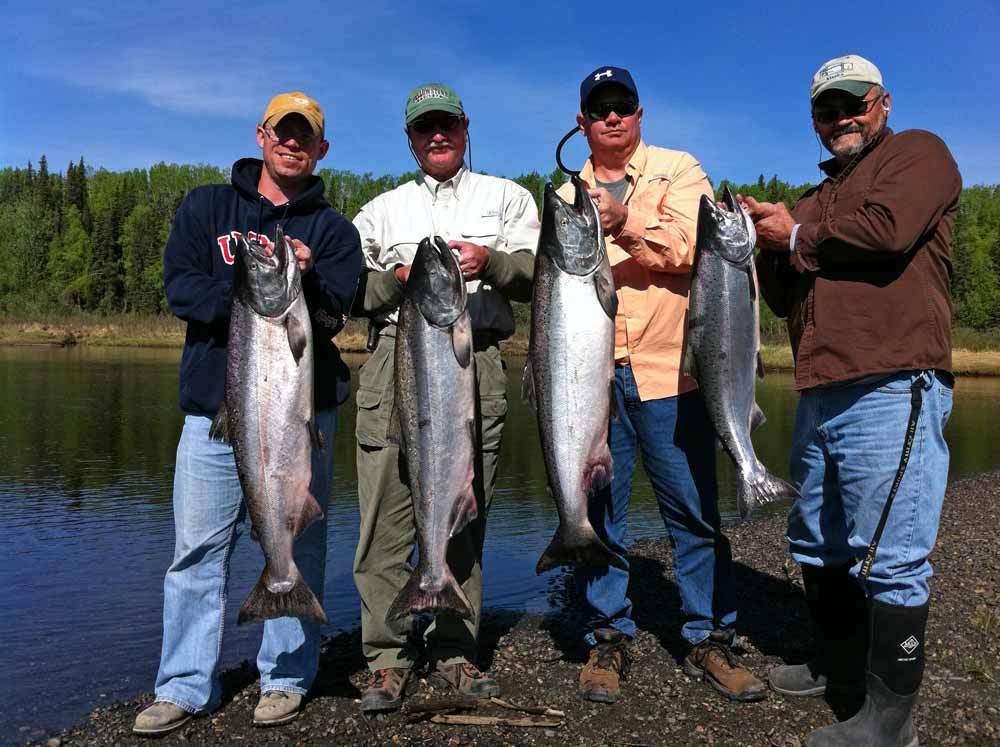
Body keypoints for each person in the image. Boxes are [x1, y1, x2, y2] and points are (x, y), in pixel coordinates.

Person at [132, 92, 362, 735]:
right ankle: (183, 686)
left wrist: (302, 280)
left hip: (301, 420)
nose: (292, 144)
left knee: (299, 543)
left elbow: (333, 314)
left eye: (305, 136)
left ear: (321, 150)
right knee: (195, 555)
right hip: (212, 414)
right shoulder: (206, 206)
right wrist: (254, 288)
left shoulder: (334, 232)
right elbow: (181, 288)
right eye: (282, 132)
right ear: (261, 136)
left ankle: (285, 678)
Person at [748, 55, 960, 747]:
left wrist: (797, 237)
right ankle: (837, 662)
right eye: (825, 110)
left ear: (883, 103)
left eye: (852, 105)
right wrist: (760, 247)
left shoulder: (918, 155)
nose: (840, 119)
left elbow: (889, 230)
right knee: (817, 537)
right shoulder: (810, 201)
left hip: (893, 381)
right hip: (819, 389)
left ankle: (889, 718)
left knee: (892, 554)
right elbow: (784, 297)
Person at [561, 66, 766, 705]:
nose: (612, 118)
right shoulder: (565, 197)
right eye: (600, 110)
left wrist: (623, 221)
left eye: (622, 106)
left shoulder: (679, 171)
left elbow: (690, 247)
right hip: (589, 379)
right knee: (599, 510)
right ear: (582, 123)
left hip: (671, 371)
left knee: (694, 511)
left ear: (640, 113)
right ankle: (608, 635)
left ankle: (710, 636)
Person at [351, 82, 539, 714]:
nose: (436, 136)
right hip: (393, 360)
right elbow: (346, 286)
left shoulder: (506, 198)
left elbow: (544, 273)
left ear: (465, 128)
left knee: (464, 510)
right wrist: (394, 280)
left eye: (446, 125)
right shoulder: (381, 211)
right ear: (409, 139)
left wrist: (493, 261)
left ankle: (456, 650)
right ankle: (386, 658)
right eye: (423, 128)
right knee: (383, 516)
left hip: (474, 359)